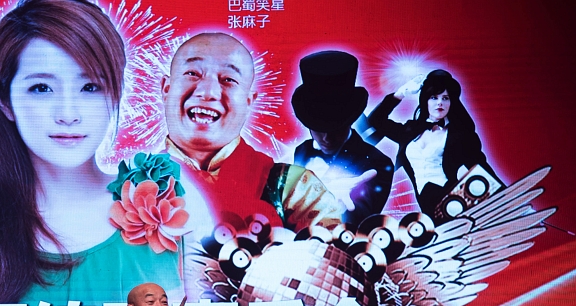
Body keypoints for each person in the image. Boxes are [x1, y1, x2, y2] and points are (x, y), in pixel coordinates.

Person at [0, 0, 212, 306]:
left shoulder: (171, 204)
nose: (68, 114)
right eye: (41, 88)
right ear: (4, 100)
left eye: (90, 87)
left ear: (116, 92)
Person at [162, 33, 348, 245]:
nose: (208, 92)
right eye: (192, 73)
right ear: (166, 89)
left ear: (248, 101)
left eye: (228, 80)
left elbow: (336, 257)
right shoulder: (134, 183)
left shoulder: (293, 187)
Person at [365, 69, 497, 219]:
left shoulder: (460, 134)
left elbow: (481, 167)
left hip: (450, 202)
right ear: (425, 100)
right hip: (422, 203)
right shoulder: (410, 130)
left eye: (445, 98)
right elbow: (376, 120)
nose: (440, 102)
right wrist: (401, 93)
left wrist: (503, 196)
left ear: (452, 103)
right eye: (434, 97)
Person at [291, 51, 394, 228]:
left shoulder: (379, 163)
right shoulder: (302, 150)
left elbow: (360, 222)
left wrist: (330, 197)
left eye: (335, 128)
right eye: (318, 128)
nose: (326, 138)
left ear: (350, 120)